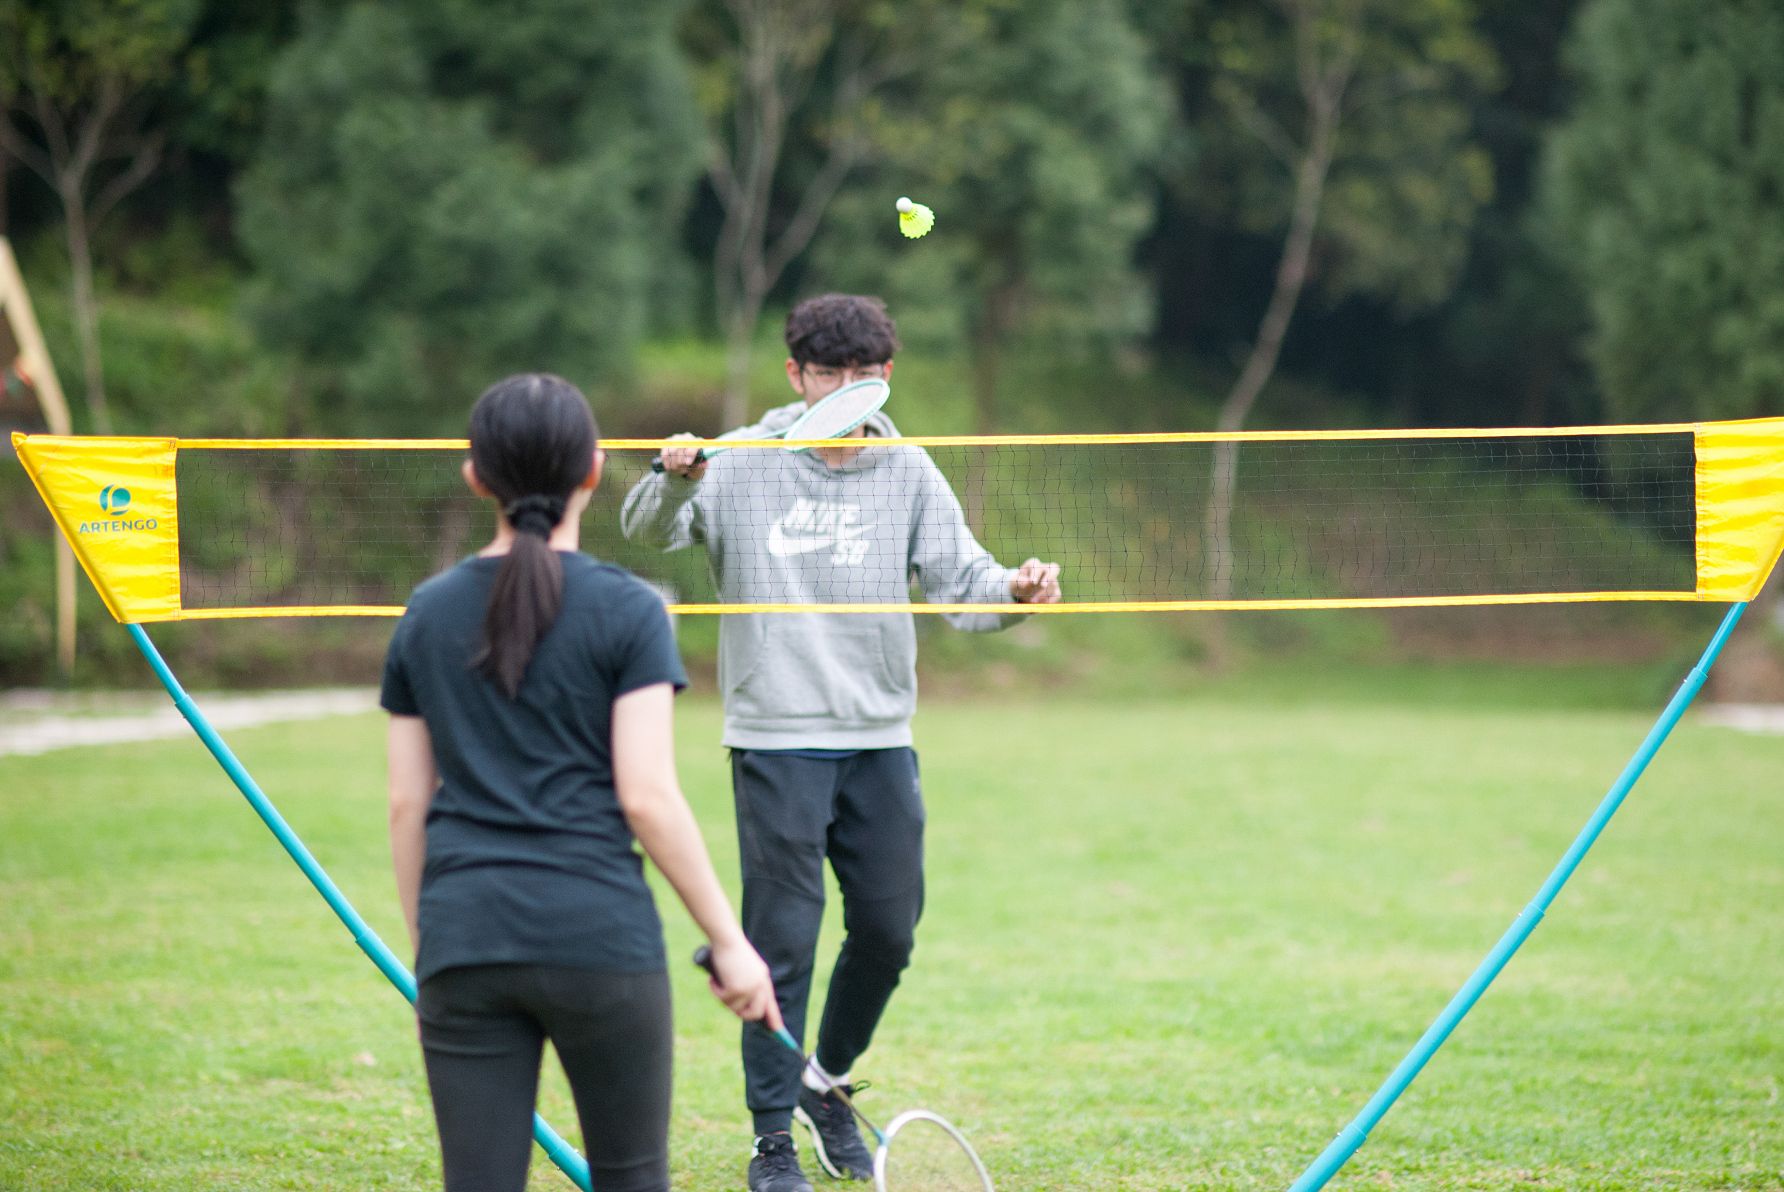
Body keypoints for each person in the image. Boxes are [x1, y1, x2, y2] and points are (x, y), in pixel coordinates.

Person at [621, 295, 1062, 1192]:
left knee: (890, 930)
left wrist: (1014, 592)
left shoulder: (906, 468)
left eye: (864, 375)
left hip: (879, 738)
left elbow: (962, 582)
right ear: (798, 376)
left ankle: (825, 1079)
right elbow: (647, 529)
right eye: (829, 374)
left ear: (885, 376)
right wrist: (674, 474)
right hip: (776, 736)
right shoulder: (740, 461)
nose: (847, 389)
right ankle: (771, 1138)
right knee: (780, 945)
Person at [383, 373, 780, 1192]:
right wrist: (732, 943)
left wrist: (437, 951)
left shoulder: (424, 611)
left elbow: (406, 805)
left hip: (466, 937)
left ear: (474, 476)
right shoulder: (630, 610)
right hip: (599, 939)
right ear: (594, 471)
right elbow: (647, 797)